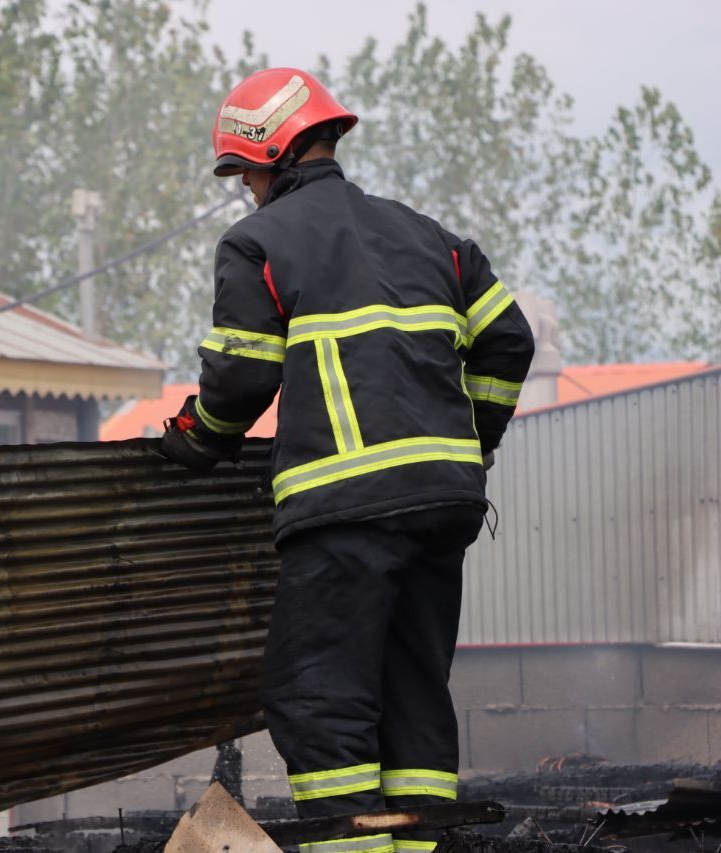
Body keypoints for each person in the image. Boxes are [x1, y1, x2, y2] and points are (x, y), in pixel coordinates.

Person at [160, 68, 535, 853]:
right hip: (443, 508)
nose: (247, 191)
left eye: (246, 174)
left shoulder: (258, 242)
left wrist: (195, 437)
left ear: (272, 157)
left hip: (345, 514)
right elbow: (509, 341)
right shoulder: (431, 236)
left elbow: (239, 376)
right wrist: (474, 439)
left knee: (319, 702)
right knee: (412, 696)